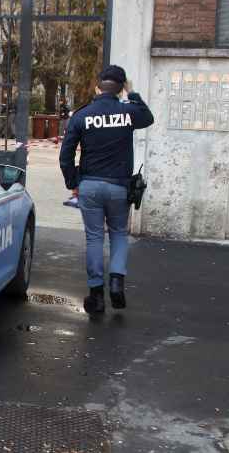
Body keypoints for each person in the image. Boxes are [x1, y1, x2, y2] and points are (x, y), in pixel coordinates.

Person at [59, 65, 154, 314]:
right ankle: (116, 284)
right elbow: (148, 117)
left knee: (94, 237)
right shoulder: (128, 112)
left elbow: (66, 155)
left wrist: (73, 183)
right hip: (118, 187)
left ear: (97, 86)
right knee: (119, 234)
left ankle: (96, 294)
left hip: (89, 185)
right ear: (121, 88)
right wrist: (132, 94)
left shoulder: (82, 115)